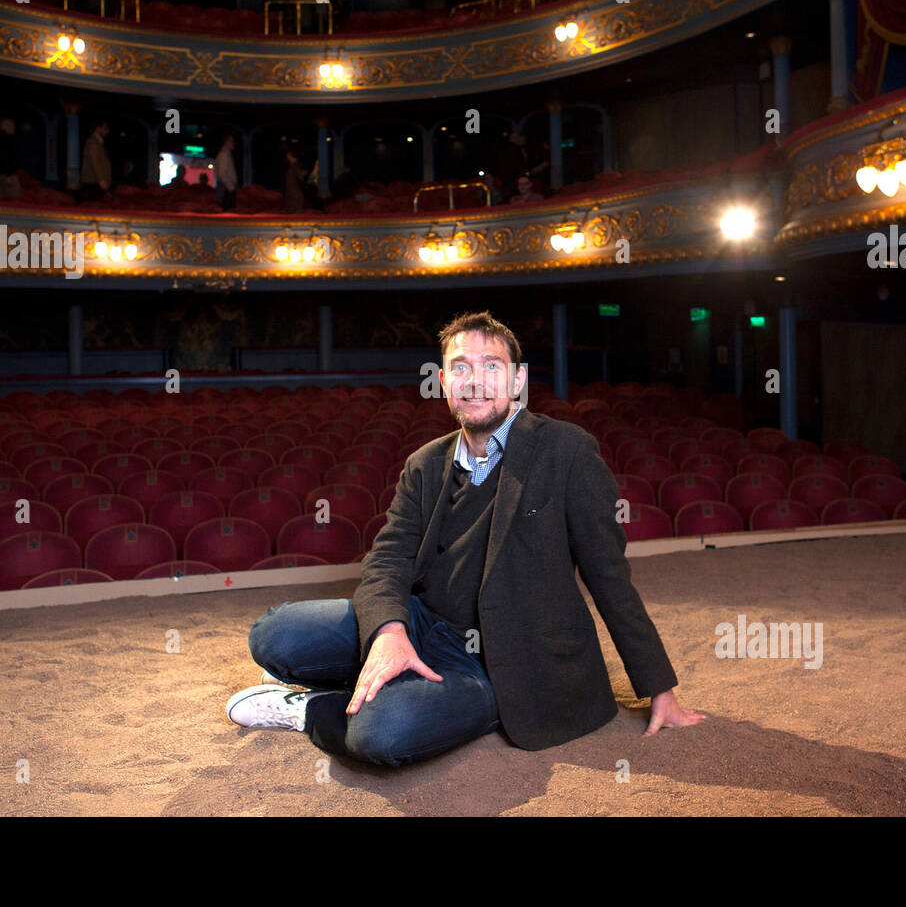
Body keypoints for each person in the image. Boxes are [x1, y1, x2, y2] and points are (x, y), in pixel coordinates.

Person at [227, 311, 704, 767]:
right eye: (460, 367)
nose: (474, 380)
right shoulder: (424, 463)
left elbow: (609, 574)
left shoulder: (568, 451)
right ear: (444, 384)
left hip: (498, 664)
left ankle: (307, 708)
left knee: (382, 733)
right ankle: (381, 667)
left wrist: (658, 687)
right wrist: (390, 632)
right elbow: (388, 559)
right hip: (422, 623)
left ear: (517, 381)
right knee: (274, 634)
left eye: (491, 366)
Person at [79, 120, 111, 203]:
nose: (107, 131)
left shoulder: (97, 142)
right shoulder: (93, 142)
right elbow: (95, 163)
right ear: (97, 128)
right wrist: (102, 181)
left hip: (95, 182)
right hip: (93, 183)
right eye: (105, 128)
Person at [0, 116, 21, 200]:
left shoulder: (5, 139)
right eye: (11, 125)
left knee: (3, 196)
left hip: (2, 173)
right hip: (5, 175)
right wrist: (9, 174)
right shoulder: (3, 140)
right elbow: (4, 157)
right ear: (4, 126)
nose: (13, 128)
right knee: (11, 197)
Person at [214, 133, 238, 211]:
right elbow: (222, 174)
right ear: (226, 142)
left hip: (226, 189)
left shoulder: (226, 154)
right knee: (227, 214)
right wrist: (231, 188)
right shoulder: (224, 155)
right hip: (226, 190)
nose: (233, 143)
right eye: (231, 141)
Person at [283, 146, 306, 213]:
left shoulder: (296, 165)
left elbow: (300, 176)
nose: (287, 157)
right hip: (291, 191)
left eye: (288, 155)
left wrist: (303, 174)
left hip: (294, 192)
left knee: (294, 211)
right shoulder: (293, 165)